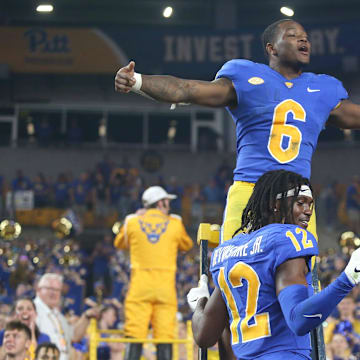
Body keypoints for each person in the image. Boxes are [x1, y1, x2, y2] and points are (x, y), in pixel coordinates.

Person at [115, 19, 360, 243]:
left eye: (305, 36)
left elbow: (354, 115)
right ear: (271, 48)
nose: (303, 39)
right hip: (250, 189)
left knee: (301, 285)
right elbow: (186, 89)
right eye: (293, 35)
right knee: (236, 276)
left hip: (299, 198)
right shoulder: (246, 74)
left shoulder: (323, 87)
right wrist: (136, 81)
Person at [186, 169, 360, 359]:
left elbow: (203, 335)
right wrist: (349, 277)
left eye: (310, 204)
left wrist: (201, 302)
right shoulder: (289, 238)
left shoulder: (227, 252)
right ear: (275, 204)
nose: (308, 211)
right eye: (300, 202)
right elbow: (299, 320)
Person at [114, 186, 193, 360]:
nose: (169, 206)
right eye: (167, 202)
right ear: (160, 203)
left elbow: (119, 243)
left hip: (139, 287)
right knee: (165, 335)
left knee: (135, 333)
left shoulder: (132, 222)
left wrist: (134, 217)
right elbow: (187, 245)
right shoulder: (175, 223)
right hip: (165, 288)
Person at [34, 273, 101, 360]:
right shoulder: (32, 310)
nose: (54, 293)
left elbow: (73, 336)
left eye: (57, 290)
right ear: (38, 290)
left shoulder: (57, 314)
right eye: (50, 288)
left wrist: (86, 317)